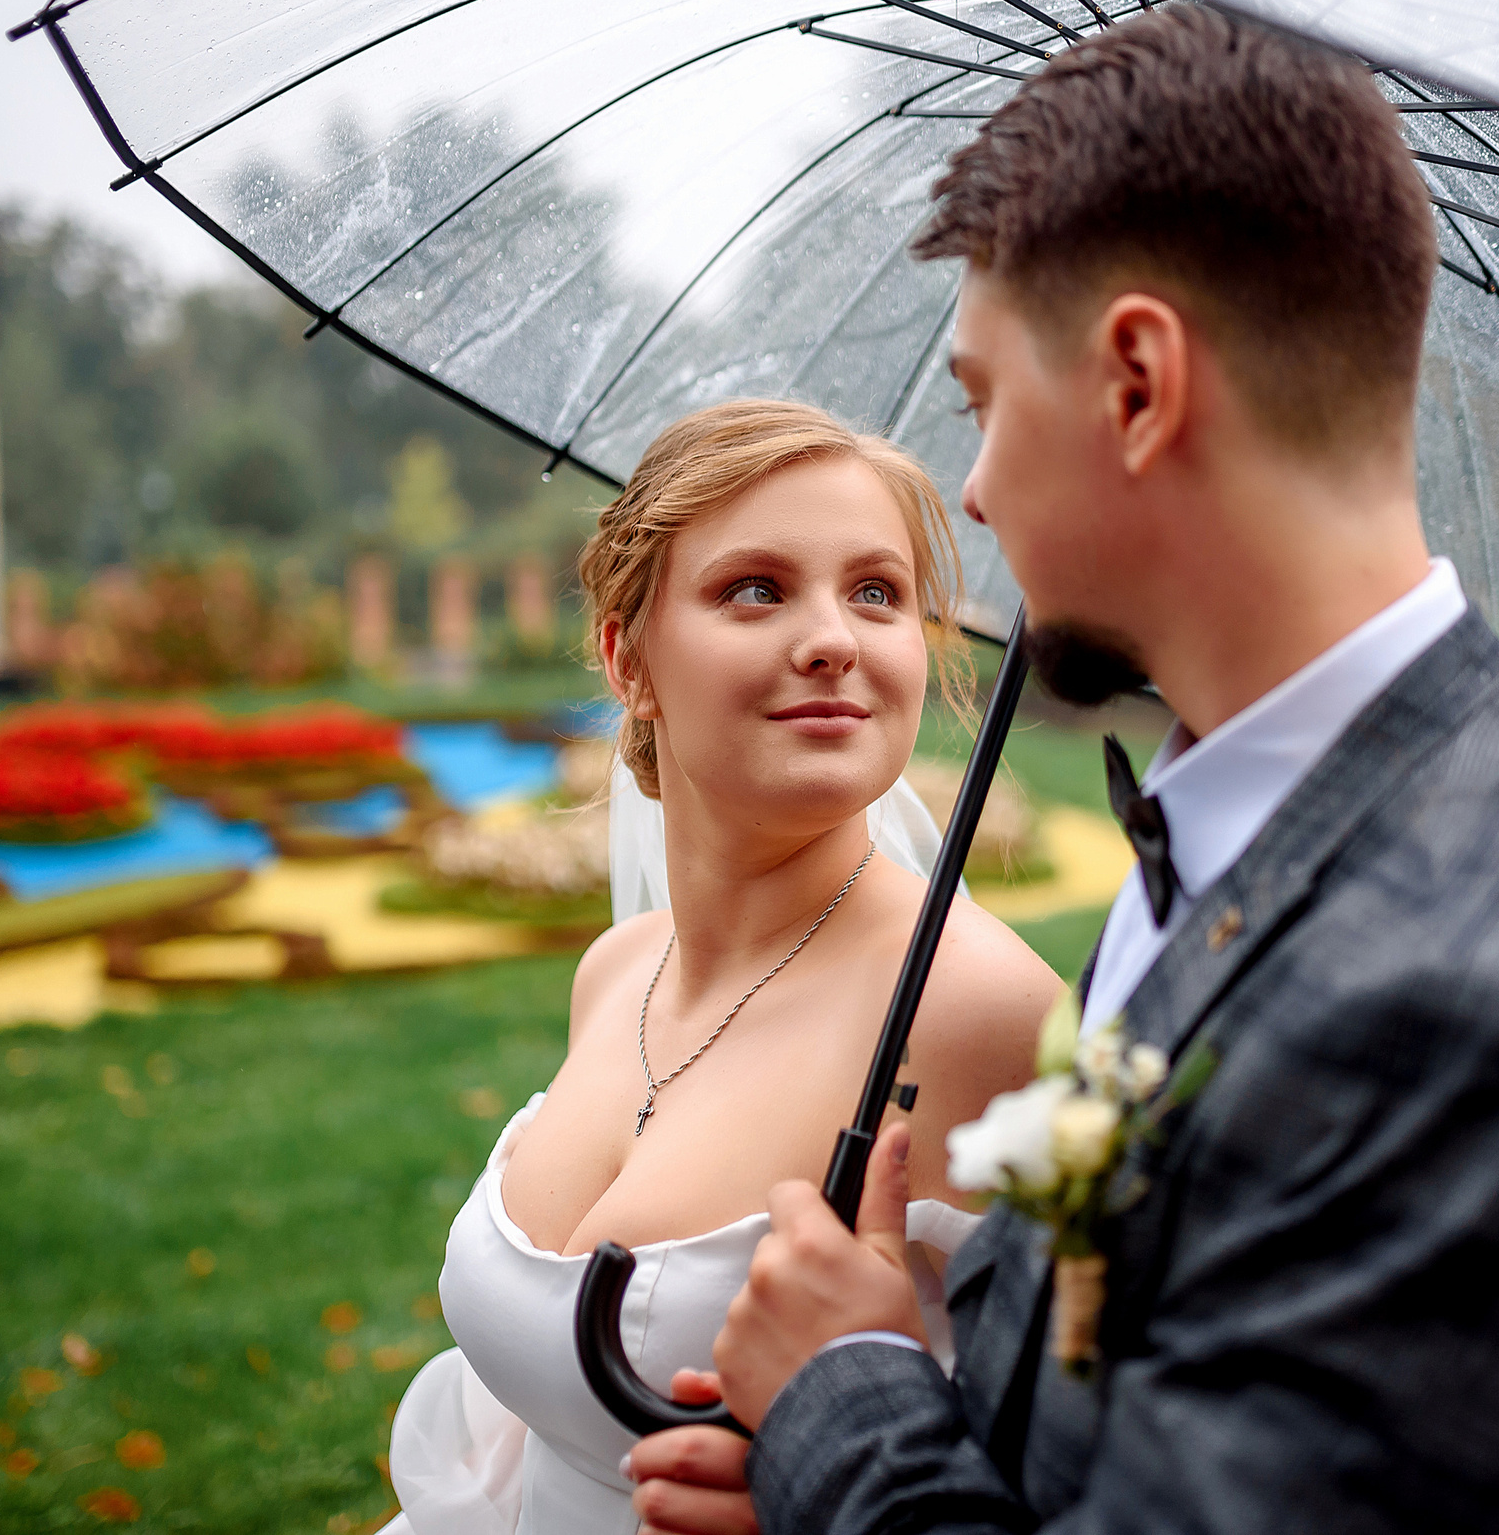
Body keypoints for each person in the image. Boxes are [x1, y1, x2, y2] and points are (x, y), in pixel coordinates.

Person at [625, 6, 1499, 1533]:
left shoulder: (1445, 1002)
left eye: (983, 403)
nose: (974, 494)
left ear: (1137, 384)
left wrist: (843, 1398)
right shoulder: (1276, 826)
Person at [385, 400, 1064, 1535]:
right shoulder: (617, 971)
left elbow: (1119, 1471)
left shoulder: (982, 1013)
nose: (833, 637)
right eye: (755, 587)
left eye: (876, 591)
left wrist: (826, 1482)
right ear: (627, 657)